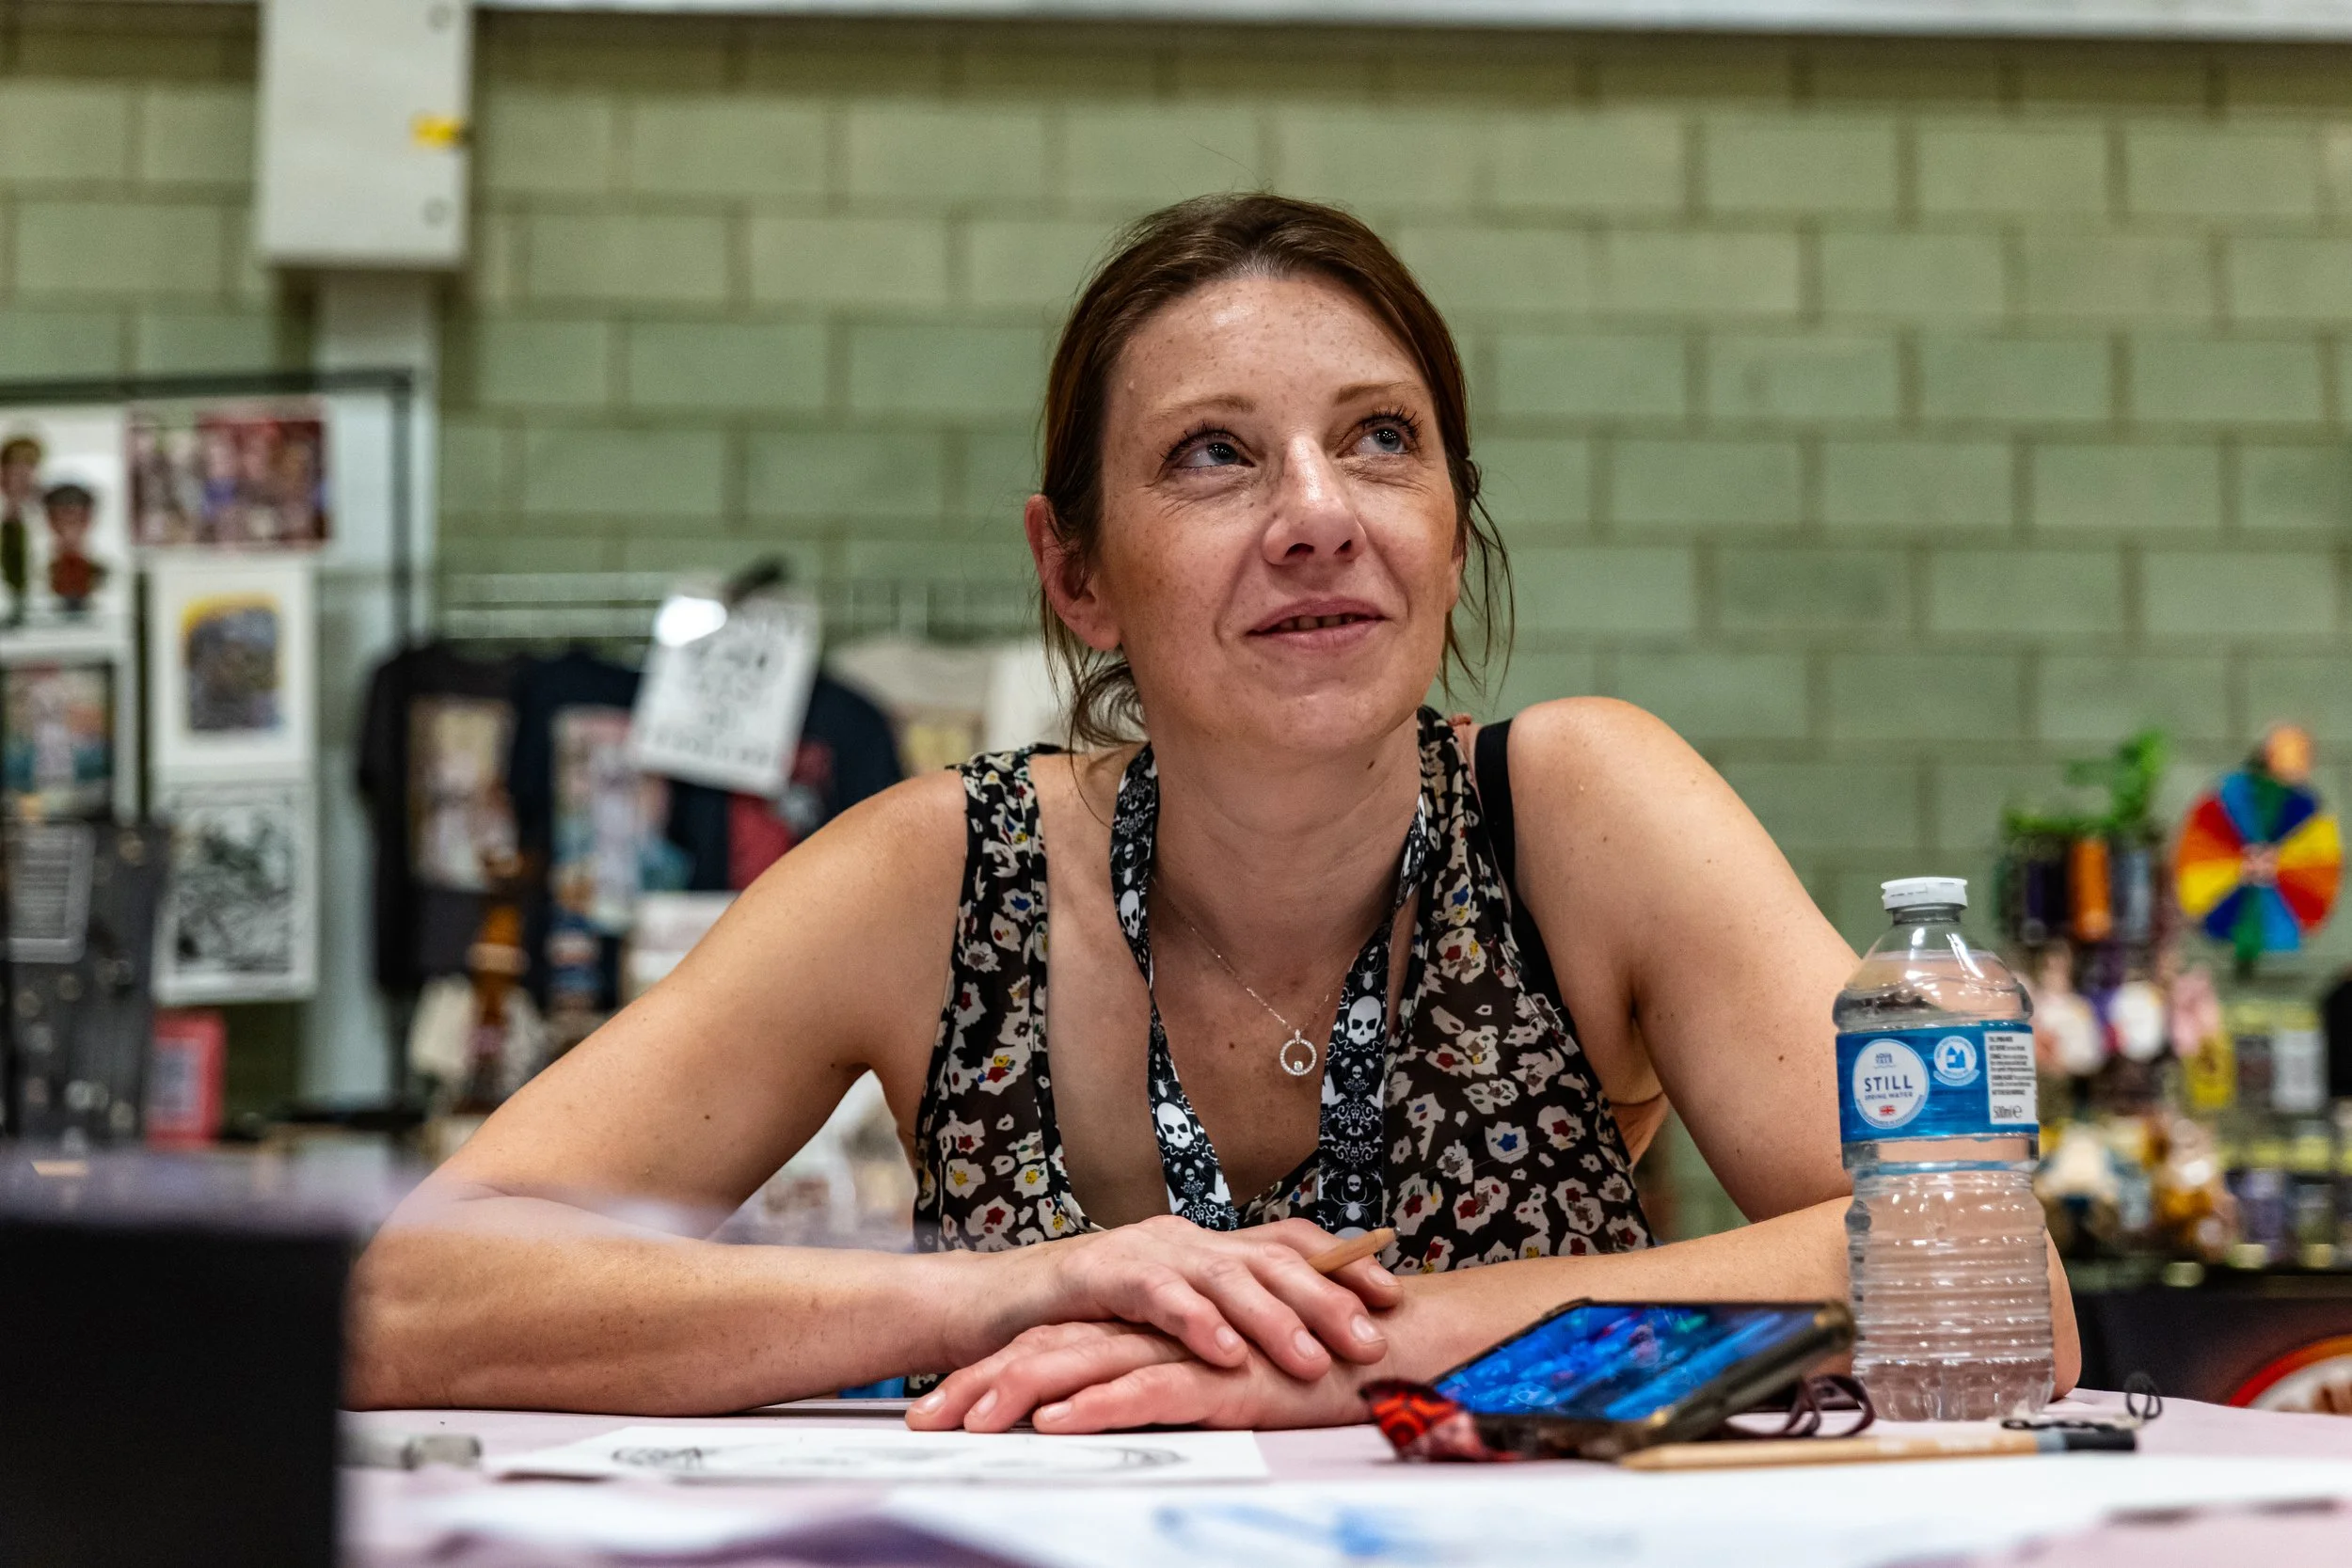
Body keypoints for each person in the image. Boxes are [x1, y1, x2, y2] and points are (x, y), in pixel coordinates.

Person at [349, 194, 2078, 1427]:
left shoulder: (1577, 808)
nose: (1319, 514)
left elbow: (1997, 1271)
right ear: (1078, 572)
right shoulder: (940, 875)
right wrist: (998, 1292)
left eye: (1381, 439)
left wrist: (1370, 1346)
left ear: (1450, 523)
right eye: (1213, 454)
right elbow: (403, 1296)